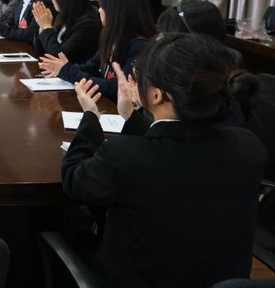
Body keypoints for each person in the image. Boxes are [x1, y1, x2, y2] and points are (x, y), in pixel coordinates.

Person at [64, 33, 265, 287]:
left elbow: (74, 180)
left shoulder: (123, 157)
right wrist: (132, 116)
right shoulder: (248, 146)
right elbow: (172, 150)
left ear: (157, 95)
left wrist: (91, 118)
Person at [39, 0, 157, 101]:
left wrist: (68, 71)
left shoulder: (140, 47)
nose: (99, 10)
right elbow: (91, 67)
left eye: (103, 7)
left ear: (116, 12)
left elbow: (115, 89)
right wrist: (61, 68)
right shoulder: (114, 38)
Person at [32, 0, 100, 64]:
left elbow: (58, 56)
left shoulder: (87, 25)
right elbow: (41, 48)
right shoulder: (62, 15)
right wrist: (42, 27)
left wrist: (46, 26)